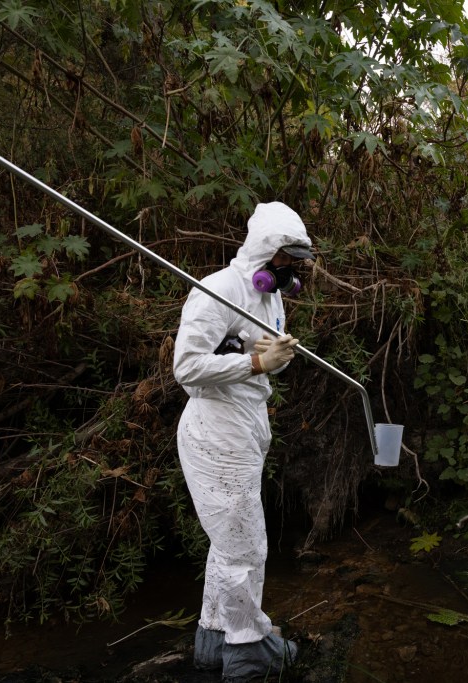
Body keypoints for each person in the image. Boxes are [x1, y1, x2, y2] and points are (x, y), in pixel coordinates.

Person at [173, 201, 314, 681]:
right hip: (215, 431)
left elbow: (266, 359)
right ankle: (248, 650)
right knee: (245, 546)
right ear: (263, 251)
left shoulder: (272, 297)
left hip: (248, 423)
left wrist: (276, 357)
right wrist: (251, 364)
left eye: (296, 261)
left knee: (228, 542)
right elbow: (187, 367)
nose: (290, 269)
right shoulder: (219, 291)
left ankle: (215, 636)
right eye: (284, 258)